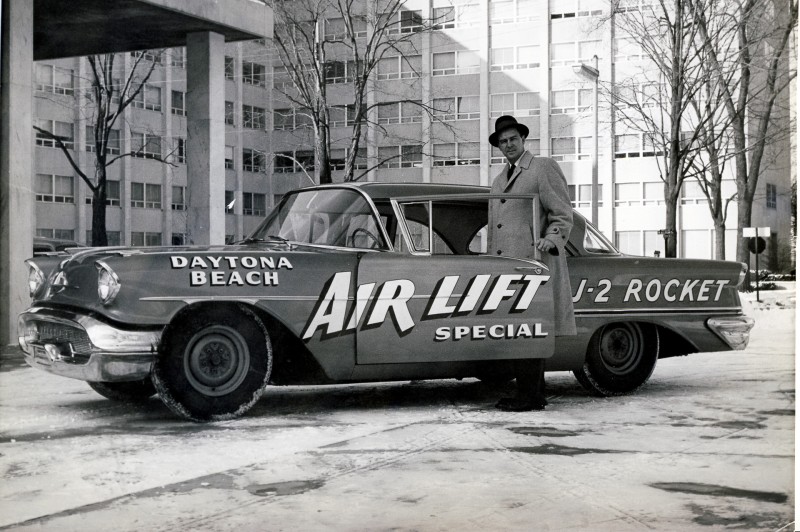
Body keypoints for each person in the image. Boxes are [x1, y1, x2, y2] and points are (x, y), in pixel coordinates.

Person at [488, 115, 576, 412]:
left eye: (513, 138)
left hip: (534, 265)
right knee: (518, 329)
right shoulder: (499, 180)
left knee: (530, 327)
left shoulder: (542, 167)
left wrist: (552, 238)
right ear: (498, 146)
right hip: (507, 268)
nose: (508, 144)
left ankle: (530, 395)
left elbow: (563, 213)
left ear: (523, 139)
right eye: (503, 141)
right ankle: (531, 393)